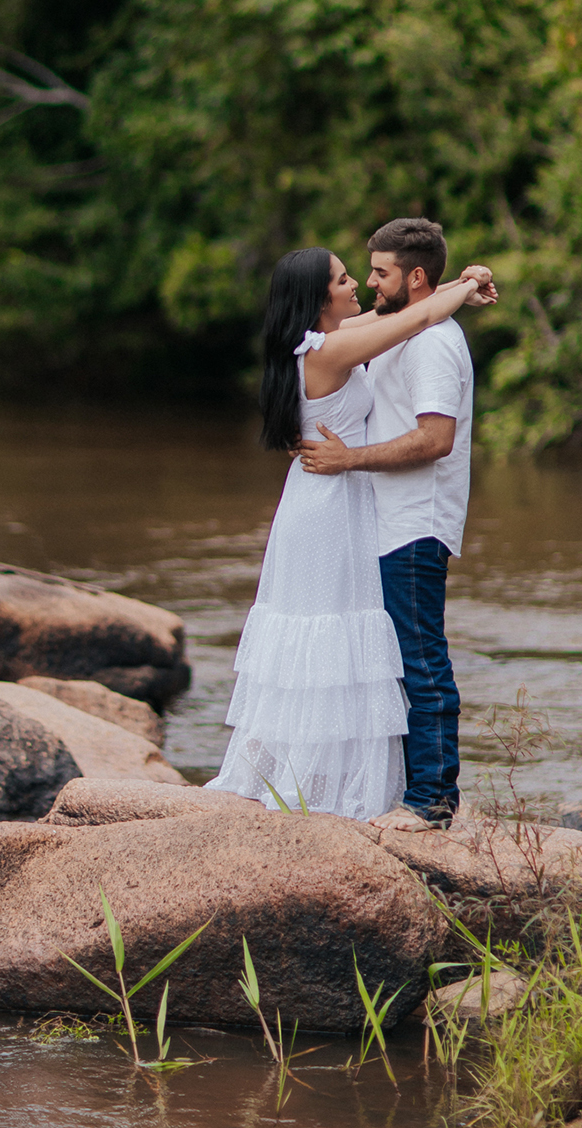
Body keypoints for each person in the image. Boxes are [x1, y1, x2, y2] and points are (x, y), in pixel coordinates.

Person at [205, 245, 484, 819]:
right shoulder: (329, 350)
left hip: (334, 497)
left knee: (346, 643)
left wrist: (463, 280)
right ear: (318, 297)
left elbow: (400, 311)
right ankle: (326, 786)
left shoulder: (326, 338)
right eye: (343, 278)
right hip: (331, 500)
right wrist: (463, 288)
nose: (356, 283)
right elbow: (418, 316)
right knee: (333, 639)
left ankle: (337, 781)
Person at [299, 218, 496, 832]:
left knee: (421, 660)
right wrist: (465, 282)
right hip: (382, 521)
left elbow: (437, 440)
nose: (368, 281)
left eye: (380, 271)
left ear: (413, 277)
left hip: (416, 521)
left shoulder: (435, 344)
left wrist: (348, 460)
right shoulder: (402, 328)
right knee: (397, 661)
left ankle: (431, 801)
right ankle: (407, 790)